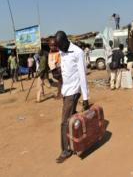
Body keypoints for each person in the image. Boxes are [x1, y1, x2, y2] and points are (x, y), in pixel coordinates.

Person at [54, 31, 89, 164]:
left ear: (65, 41)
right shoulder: (62, 50)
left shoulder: (77, 52)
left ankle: (66, 150)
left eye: (59, 45)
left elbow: (82, 75)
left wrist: (85, 97)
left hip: (73, 91)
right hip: (66, 90)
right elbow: (66, 70)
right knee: (72, 118)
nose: (58, 49)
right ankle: (78, 142)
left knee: (64, 122)